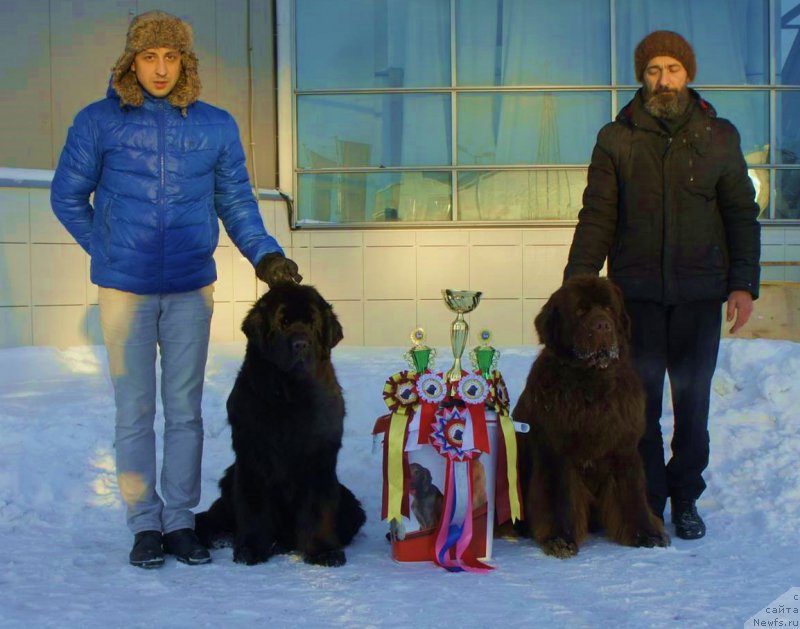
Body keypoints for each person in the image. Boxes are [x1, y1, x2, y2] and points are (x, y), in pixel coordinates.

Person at [51, 10, 301, 568]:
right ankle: (144, 524)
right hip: (125, 293)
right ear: (130, 62)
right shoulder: (98, 121)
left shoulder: (215, 125)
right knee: (135, 411)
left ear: (185, 62)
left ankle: (181, 522)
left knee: (185, 410)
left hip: (191, 289)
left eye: (171, 57)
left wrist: (266, 255)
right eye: (149, 56)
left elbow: (235, 200)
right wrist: (107, 249)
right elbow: (67, 196)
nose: (160, 68)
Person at [563, 30, 761, 540]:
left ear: (688, 74)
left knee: (692, 404)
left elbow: (741, 213)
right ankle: (646, 499)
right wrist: (578, 286)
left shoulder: (720, 136)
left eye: (672, 69)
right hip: (636, 298)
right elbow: (597, 216)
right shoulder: (617, 138)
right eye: (653, 70)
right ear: (642, 77)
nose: (663, 79)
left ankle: (686, 495)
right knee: (640, 405)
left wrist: (743, 284)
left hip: (700, 295)